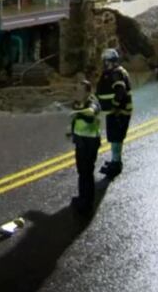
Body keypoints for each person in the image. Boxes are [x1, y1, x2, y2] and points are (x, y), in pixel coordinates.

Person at [96, 48, 133, 178]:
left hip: (119, 113)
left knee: (116, 138)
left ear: (108, 61)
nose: (103, 64)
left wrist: (115, 106)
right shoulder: (115, 72)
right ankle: (114, 160)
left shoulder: (116, 73)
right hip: (116, 112)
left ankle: (116, 164)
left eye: (104, 61)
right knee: (114, 138)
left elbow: (120, 91)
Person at [68, 79, 102, 214]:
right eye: (76, 90)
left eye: (80, 91)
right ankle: (82, 197)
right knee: (82, 172)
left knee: (87, 172)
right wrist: (71, 132)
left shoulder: (92, 102)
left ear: (88, 92)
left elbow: (91, 112)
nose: (77, 93)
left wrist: (78, 112)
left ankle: (87, 203)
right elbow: (76, 119)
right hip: (81, 142)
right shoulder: (78, 103)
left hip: (90, 143)